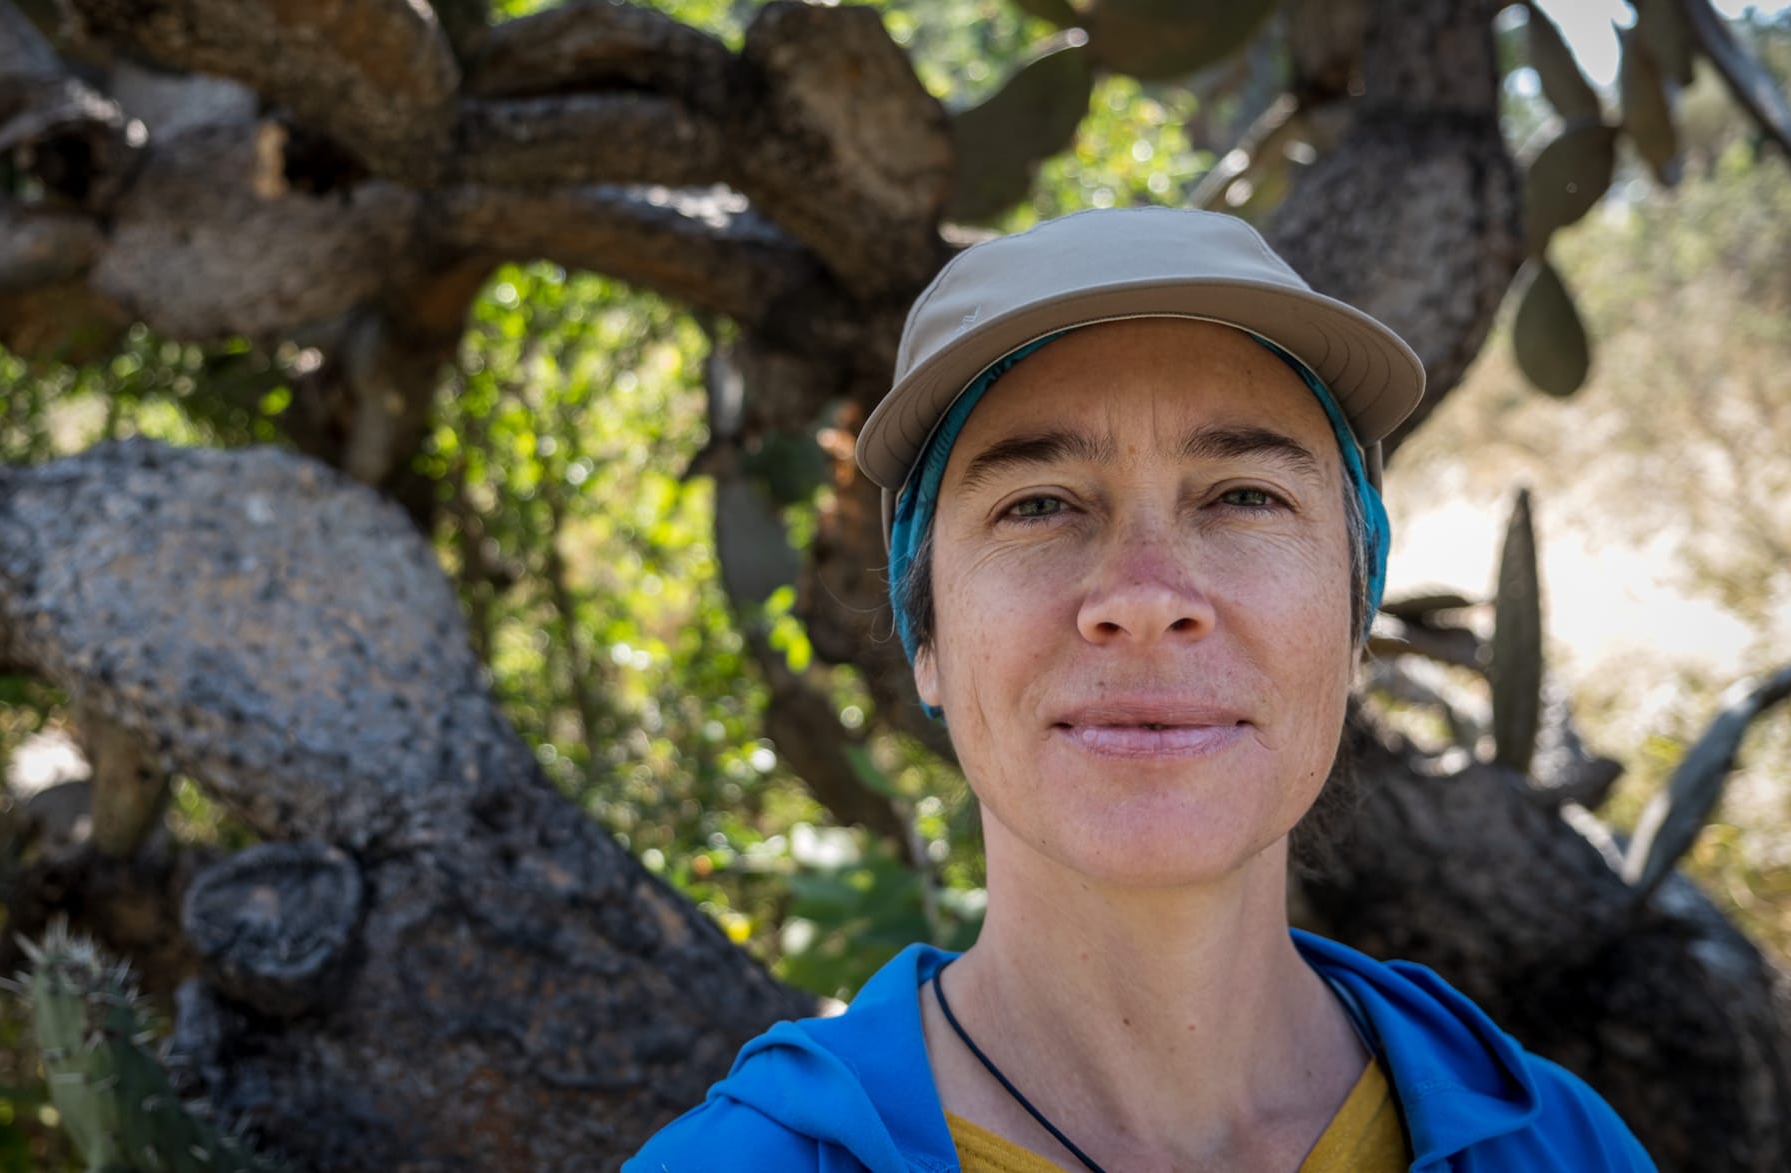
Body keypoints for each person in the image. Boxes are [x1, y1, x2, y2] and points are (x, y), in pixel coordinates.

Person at [625, 208, 1654, 1172]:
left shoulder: (1562, 1147)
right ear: (925, 636)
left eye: (1244, 496)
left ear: (1353, 620)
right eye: (1038, 505)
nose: (1146, 598)